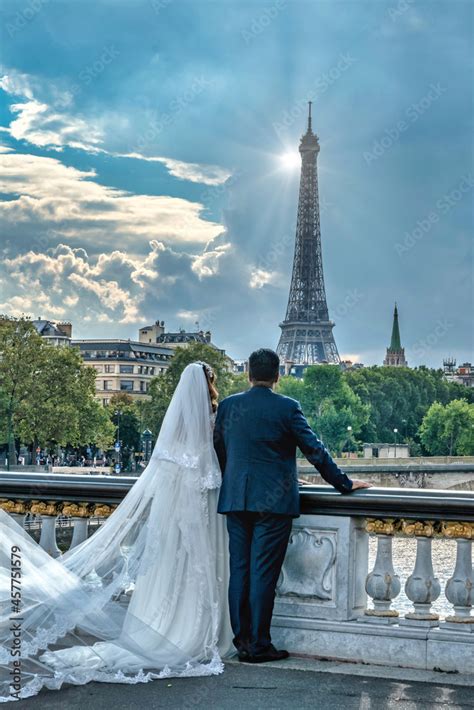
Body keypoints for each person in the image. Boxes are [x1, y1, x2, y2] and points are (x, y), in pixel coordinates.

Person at [0, 363, 233, 702]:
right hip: (203, 519)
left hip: (176, 521)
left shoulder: (174, 436)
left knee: (170, 575)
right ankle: (193, 632)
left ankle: (160, 626)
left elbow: (164, 483)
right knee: (196, 575)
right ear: (208, 386)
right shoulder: (212, 426)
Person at [214, 348, 371, 664]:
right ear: (277, 377)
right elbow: (315, 451)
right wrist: (343, 483)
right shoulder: (287, 407)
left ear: (248, 374)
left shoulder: (229, 406)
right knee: (262, 573)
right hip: (273, 501)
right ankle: (259, 645)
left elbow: (219, 448)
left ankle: (242, 641)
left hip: (235, 498)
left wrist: (234, 479)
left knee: (240, 571)